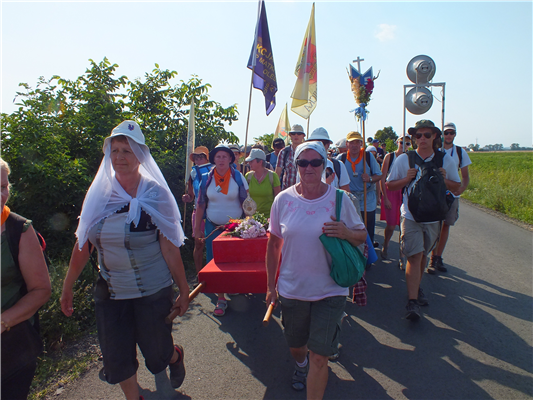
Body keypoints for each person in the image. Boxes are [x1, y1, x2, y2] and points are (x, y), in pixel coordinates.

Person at [60, 121, 190, 399]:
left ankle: (174, 356)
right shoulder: (99, 194)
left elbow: (170, 249)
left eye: (127, 151)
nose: (119, 157)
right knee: (116, 357)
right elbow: (83, 244)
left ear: (140, 156)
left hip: (152, 291)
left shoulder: (156, 194)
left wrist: (183, 289)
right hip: (110, 290)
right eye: (115, 150)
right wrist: (67, 286)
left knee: (157, 353)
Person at [266, 141, 366, 399]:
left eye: (315, 162)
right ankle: (301, 365)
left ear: (324, 165)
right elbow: (274, 244)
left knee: (320, 357)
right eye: (303, 162)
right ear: (296, 165)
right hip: (293, 289)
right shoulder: (283, 200)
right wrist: (270, 287)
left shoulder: (340, 199)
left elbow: (361, 235)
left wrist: (345, 232)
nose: (309, 167)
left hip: (330, 290)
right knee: (296, 346)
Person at [386, 120, 461, 321]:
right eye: (418, 135)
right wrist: (406, 179)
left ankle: (416, 287)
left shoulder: (445, 160)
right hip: (410, 215)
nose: (422, 139)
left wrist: (444, 179)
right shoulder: (405, 159)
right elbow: (390, 185)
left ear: (435, 136)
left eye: (427, 135)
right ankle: (412, 301)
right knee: (414, 256)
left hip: (434, 217)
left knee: (423, 255)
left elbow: (456, 186)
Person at [0, 158, 51, 400]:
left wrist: (3, 322)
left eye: (3, 187)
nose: (0, 196)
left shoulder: (18, 229)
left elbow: (41, 290)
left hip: (11, 347)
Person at [194, 144, 249, 317]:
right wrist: (197, 229)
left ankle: (232, 286)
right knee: (215, 262)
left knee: (234, 260)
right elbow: (200, 204)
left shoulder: (238, 177)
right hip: (213, 226)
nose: (221, 159)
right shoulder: (206, 178)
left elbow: (247, 202)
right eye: (218, 156)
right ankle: (220, 298)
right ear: (213, 159)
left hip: (235, 228)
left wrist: (251, 224)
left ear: (231, 159)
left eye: (225, 156)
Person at [428, 122, 472, 274]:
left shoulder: (460, 152)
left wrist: (461, 189)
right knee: (435, 225)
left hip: (451, 194)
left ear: (455, 134)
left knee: (446, 225)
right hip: (435, 194)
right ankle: (431, 255)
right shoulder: (436, 150)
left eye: (451, 133)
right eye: (446, 132)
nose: (448, 135)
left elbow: (465, 176)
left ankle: (437, 257)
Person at [338, 131, 382, 249]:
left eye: (357, 142)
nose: (354, 145)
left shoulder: (368, 157)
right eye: (352, 142)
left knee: (367, 228)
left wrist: (370, 178)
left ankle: (368, 254)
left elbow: (379, 175)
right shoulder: (341, 158)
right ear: (347, 144)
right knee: (351, 228)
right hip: (350, 199)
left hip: (367, 198)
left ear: (361, 144)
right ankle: (354, 254)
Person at [380, 136, 411, 266]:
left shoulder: (410, 158)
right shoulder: (389, 157)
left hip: (404, 191)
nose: (404, 145)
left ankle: (402, 256)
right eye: (402, 142)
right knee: (391, 225)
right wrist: (384, 197)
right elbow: (382, 177)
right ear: (397, 143)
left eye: (407, 143)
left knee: (403, 225)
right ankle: (386, 244)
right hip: (391, 191)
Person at [182, 146, 212, 274]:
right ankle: (200, 274)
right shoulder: (193, 173)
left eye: (201, 157)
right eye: (196, 158)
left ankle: (214, 274)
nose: (199, 160)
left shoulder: (214, 171)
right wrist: (187, 197)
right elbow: (191, 195)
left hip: (212, 211)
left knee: (213, 244)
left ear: (207, 159)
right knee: (198, 244)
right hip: (197, 210)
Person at [305, 128, 351, 192]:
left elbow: (345, 193)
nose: (318, 147)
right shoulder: (303, 165)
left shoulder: (339, 166)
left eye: (322, 143)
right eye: (314, 144)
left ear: (328, 145)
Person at [245, 148, 281, 218]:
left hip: (269, 218)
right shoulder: (248, 176)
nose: (249, 163)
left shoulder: (273, 176)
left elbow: (278, 200)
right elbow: (246, 198)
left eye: (251, 161)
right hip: (252, 217)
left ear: (260, 162)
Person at [275, 124, 306, 190]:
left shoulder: (308, 152)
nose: (296, 135)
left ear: (303, 136)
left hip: (304, 191)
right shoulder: (284, 152)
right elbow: (277, 174)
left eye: (299, 133)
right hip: (287, 191)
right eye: (293, 134)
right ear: (290, 135)